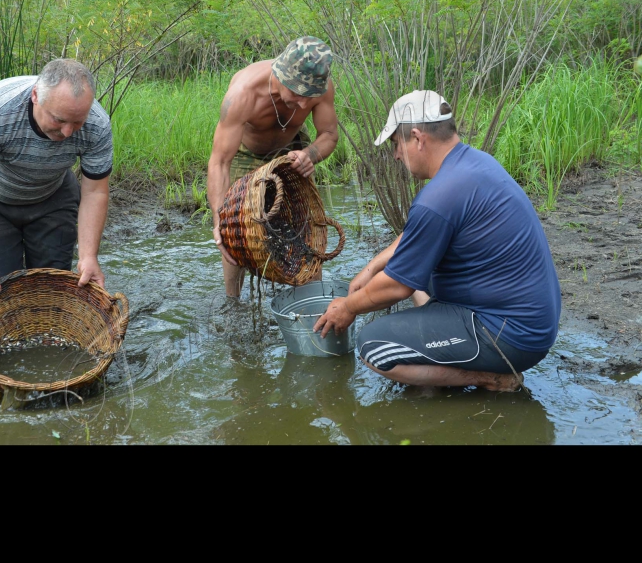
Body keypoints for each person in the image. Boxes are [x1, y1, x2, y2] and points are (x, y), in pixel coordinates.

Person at [313, 89, 561, 392]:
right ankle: (450, 347)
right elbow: (419, 235)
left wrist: (348, 307)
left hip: (511, 336)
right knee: (416, 268)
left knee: (375, 347)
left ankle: (492, 378)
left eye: (396, 144)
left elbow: (396, 287)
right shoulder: (473, 164)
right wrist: (372, 266)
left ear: (417, 138)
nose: (395, 155)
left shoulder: (439, 196)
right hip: (530, 320)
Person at [0, 58, 113, 295]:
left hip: (54, 198)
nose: (67, 132)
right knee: (3, 289)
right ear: (36, 96)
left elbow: (95, 190)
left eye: (77, 122)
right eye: (58, 119)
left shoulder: (97, 124)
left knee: (51, 288)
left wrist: (89, 257)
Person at [207, 36, 339, 297]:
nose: (303, 104)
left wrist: (309, 155)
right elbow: (219, 162)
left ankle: (311, 299)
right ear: (280, 75)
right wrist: (219, 220)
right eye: (298, 93)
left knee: (306, 225)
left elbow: (330, 135)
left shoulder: (322, 88)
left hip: (293, 150)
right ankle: (233, 301)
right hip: (247, 154)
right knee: (235, 227)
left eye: (309, 96)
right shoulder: (243, 93)